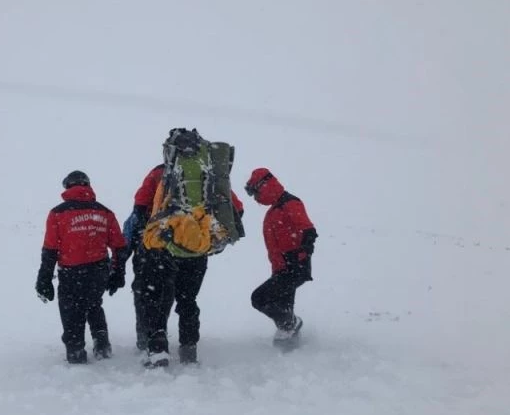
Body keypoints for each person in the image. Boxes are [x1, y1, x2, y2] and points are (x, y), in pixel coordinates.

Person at [124, 130, 245, 365]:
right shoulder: (210, 178)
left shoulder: (159, 174)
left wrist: (141, 241)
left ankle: (158, 349)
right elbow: (235, 209)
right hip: (197, 248)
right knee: (188, 299)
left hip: (163, 247)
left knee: (157, 298)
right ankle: (189, 349)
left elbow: (139, 209)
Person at [35, 170, 127, 364]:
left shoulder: (57, 213)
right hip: (99, 270)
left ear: (68, 187)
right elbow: (119, 246)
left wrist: (44, 278)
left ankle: (76, 350)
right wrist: (118, 273)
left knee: (71, 310)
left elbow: (50, 249)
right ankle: (102, 344)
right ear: (87, 186)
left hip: (71, 272)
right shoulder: (105, 212)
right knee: (94, 305)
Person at [245, 168, 317, 343]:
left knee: (259, 298)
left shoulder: (289, 204)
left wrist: (302, 253)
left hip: (293, 267)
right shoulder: (275, 208)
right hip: (282, 268)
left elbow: (308, 229)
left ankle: (290, 324)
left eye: (255, 193)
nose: (255, 199)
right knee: (283, 307)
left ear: (264, 186)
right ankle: (290, 345)